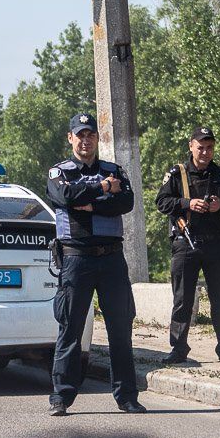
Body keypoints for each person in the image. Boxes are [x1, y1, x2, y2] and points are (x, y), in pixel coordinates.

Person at [45, 112, 145, 416]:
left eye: (91, 135)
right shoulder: (58, 172)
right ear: (70, 138)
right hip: (76, 258)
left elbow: (125, 203)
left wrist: (89, 203)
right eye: (80, 135)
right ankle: (61, 397)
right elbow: (65, 196)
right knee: (70, 329)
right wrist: (103, 190)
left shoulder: (114, 170)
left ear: (96, 139)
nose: (86, 140)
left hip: (111, 258)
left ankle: (127, 397)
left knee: (120, 329)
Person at [155, 126, 220, 364]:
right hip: (186, 242)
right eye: (201, 147)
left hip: (216, 245)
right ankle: (178, 349)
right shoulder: (178, 174)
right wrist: (188, 202)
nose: (205, 152)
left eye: (209, 148)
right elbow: (162, 202)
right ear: (191, 146)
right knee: (183, 299)